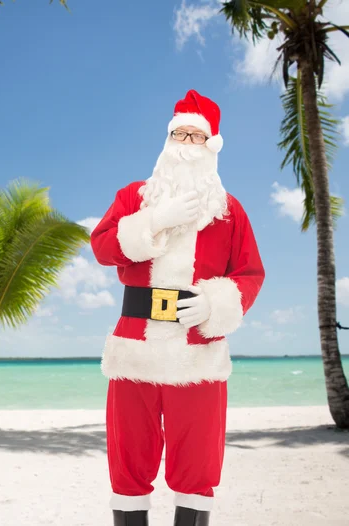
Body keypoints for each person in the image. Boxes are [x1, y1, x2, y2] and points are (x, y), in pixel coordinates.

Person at [90, 89, 265, 526]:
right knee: (128, 464)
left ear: (211, 147)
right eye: (179, 134)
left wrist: (212, 304)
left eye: (195, 137)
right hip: (135, 352)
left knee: (198, 467)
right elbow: (102, 247)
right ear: (167, 140)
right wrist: (155, 220)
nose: (186, 145)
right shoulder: (135, 197)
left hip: (197, 353)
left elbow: (250, 274)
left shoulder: (230, 212)